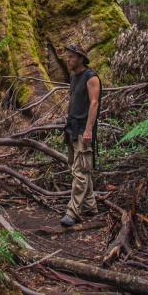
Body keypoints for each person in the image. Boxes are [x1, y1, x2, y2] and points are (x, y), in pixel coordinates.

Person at [61, 43, 102, 228]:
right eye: (67, 56)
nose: (67, 60)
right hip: (72, 128)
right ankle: (90, 206)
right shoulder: (73, 77)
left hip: (83, 130)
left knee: (80, 172)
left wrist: (88, 130)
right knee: (79, 168)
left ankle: (73, 212)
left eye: (71, 57)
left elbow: (94, 104)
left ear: (80, 58)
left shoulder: (91, 77)